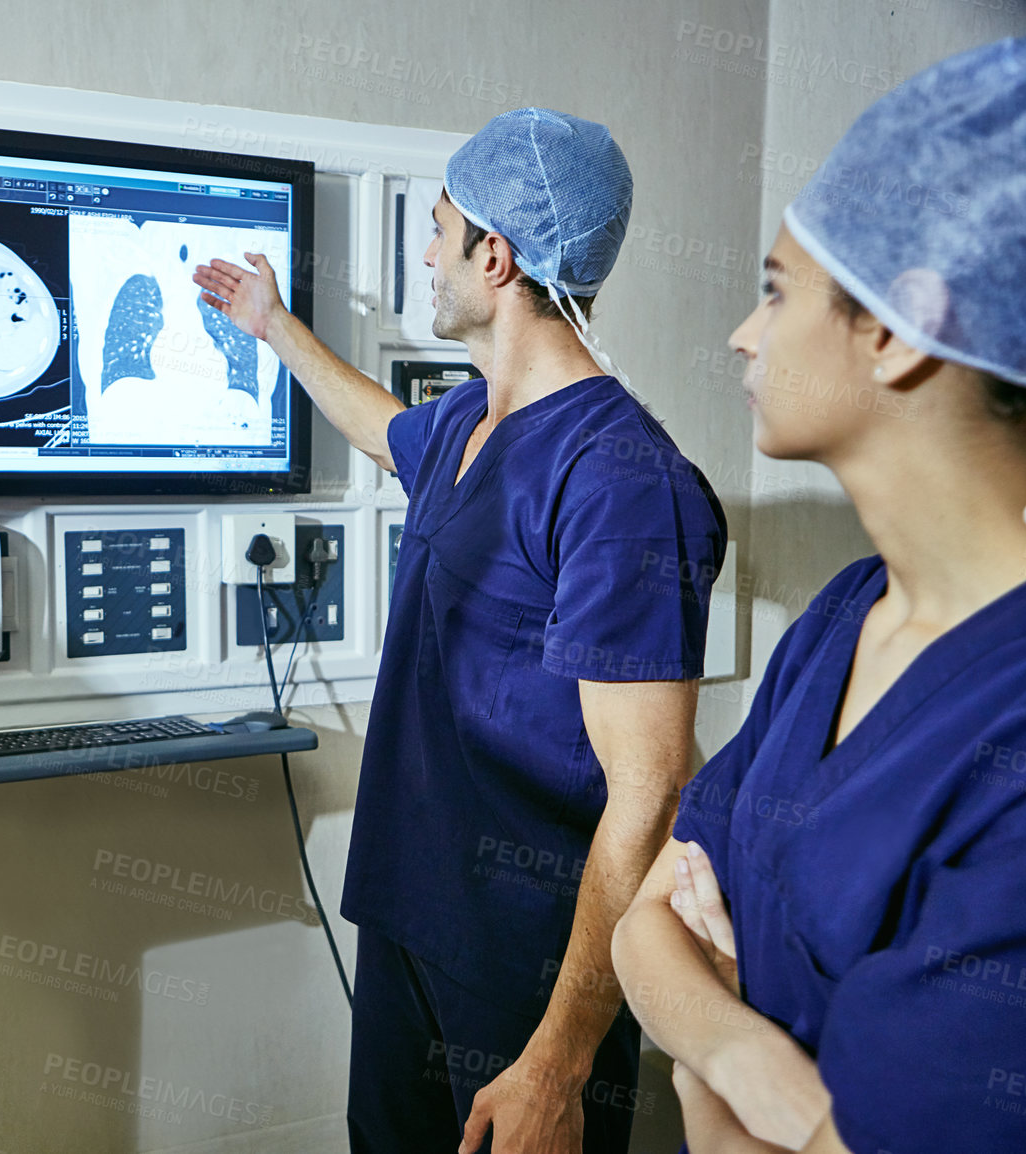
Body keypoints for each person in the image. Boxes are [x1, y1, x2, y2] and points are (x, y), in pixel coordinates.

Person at [195, 108, 727, 1154]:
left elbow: (649, 791)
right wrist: (272, 325)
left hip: (528, 962)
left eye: (436, 229)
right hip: (410, 915)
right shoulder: (466, 420)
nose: (425, 253)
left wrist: (558, 1060)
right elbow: (385, 433)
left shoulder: (621, 482)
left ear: (497, 252)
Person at [611, 35, 1026, 1154]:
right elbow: (641, 927)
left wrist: (705, 1068)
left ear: (895, 330)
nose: (742, 334)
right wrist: (746, 1057)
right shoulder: (844, 615)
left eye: (775, 292)